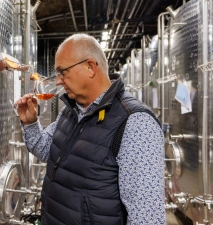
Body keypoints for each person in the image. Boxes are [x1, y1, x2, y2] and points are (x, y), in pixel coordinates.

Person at [15, 33, 165, 224]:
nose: (58, 81)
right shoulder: (70, 111)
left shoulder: (135, 123)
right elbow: (46, 151)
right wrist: (30, 123)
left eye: (63, 72)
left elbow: (147, 217)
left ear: (90, 67)